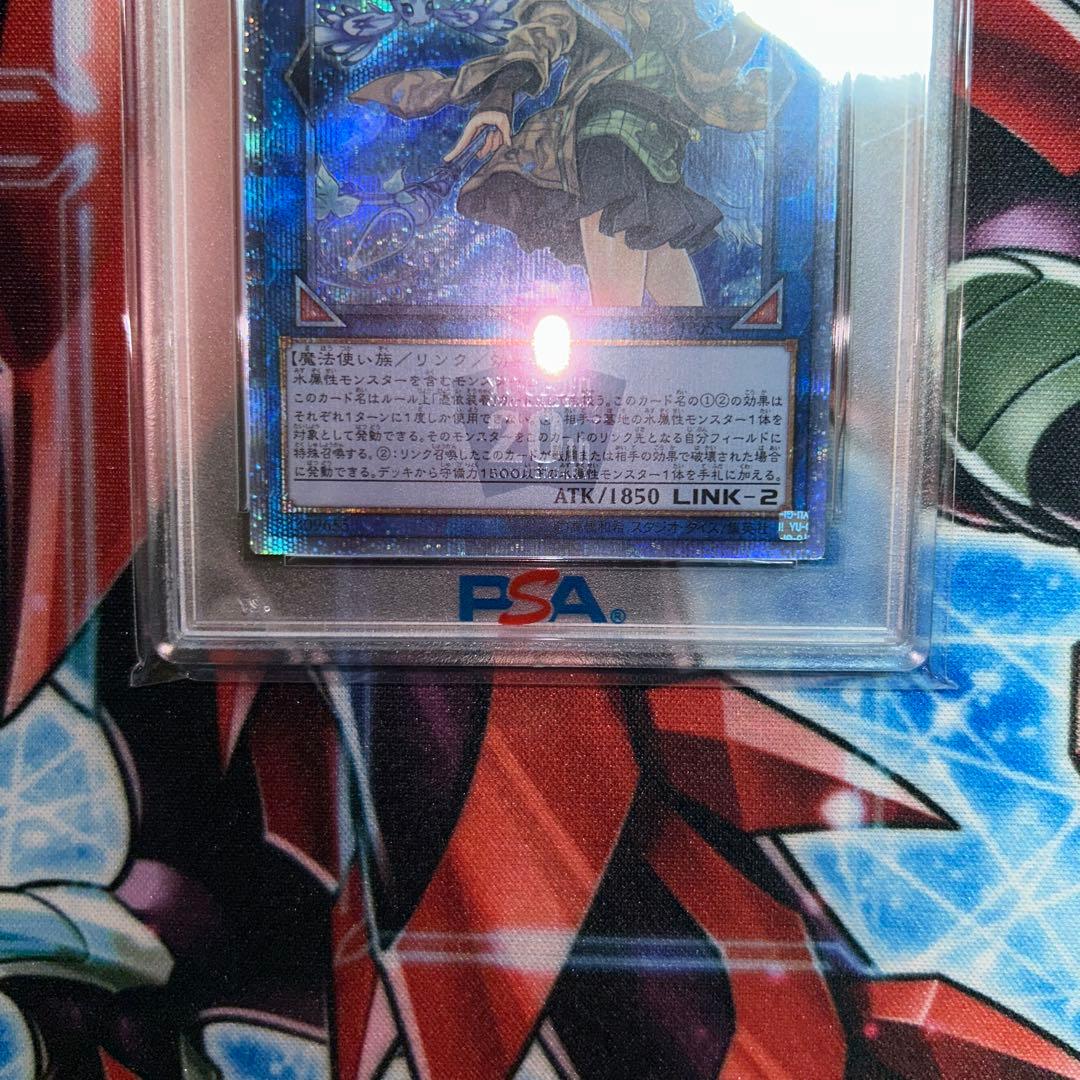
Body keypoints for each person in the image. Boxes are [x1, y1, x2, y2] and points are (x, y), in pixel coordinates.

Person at [351, 1, 781, 306]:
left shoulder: (683, 16)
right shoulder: (590, 6)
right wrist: (501, 94)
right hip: (606, 138)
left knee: (682, 310)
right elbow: (542, 35)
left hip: (660, 154)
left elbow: (709, 79)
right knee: (618, 309)